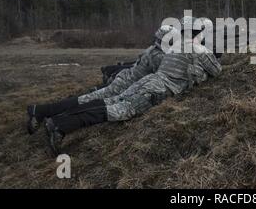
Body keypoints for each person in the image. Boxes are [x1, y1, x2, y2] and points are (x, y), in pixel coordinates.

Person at [27, 18, 222, 156]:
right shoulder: (180, 50)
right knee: (116, 109)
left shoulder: (170, 49)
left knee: (105, 102)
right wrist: (209, 55)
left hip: (145, 82)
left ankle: (54, 119)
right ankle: (59, 124)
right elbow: (215, 70)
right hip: (151, 87)